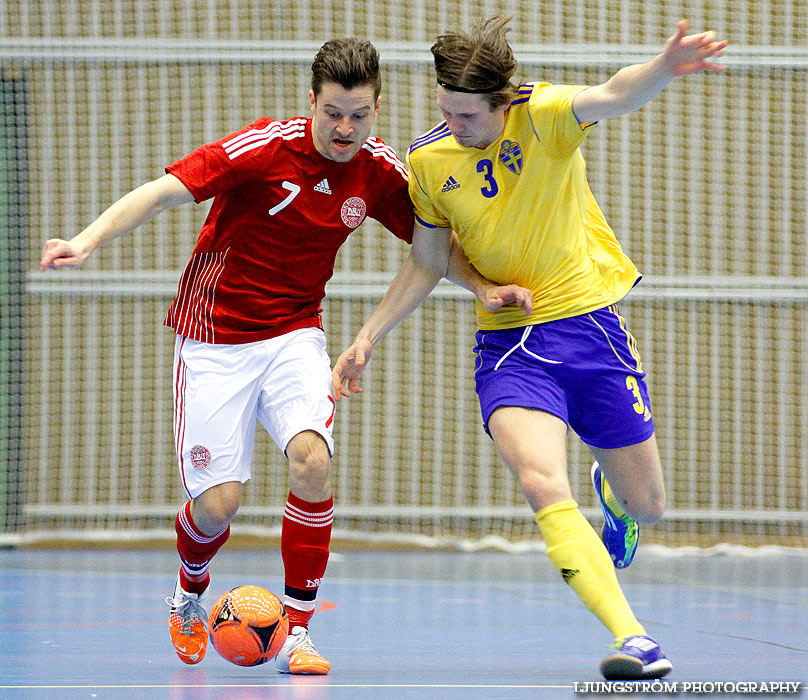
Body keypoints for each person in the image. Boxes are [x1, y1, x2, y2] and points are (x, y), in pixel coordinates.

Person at [39, 38, 531, 675]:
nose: (344, 128)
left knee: (312, 462)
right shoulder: (263, 149)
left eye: (358, 114)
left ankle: (298, 631)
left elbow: (433, 249)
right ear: (312, 103)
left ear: (377, 108)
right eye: (332, 113)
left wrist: (486, 287)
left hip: (295, 334)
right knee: (219, 505)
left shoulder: (380, 172)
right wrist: (87, 240)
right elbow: (160, 192)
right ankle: (189, 592)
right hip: (213, 341)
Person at [332, 16, 727, 681]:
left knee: (650, 505)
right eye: (445, 109)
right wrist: (366, 338)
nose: (455, 123)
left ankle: (617, 500)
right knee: (542, 482)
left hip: (590, 330)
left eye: (468, 115)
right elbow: (427, 261)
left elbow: (615, 94)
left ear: (501, 100)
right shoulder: (429, 161)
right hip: (510, 349)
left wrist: (661, 68)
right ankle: (634, 638)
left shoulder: (542, 114)